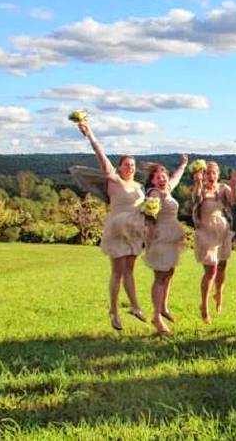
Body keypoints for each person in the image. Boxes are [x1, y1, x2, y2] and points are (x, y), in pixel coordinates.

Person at [72, 121, 148, 331]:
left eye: (133, 165)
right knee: (117, 271)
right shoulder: (113, 179)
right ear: (119, 166)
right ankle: (113, 311)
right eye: (127, 164)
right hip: (117, 229)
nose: (130, 168)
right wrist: (89, 133)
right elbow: (100, 153)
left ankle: (135, 306)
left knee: (130, 270)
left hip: (135, 230)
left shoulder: (139, 186)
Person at [142, 155, 188, 335]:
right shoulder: (155, 193)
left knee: (169, 272)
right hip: (161, 237)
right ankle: (156, 317)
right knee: (161, 276)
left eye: (164, 176)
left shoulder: (167, 189)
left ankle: (163, 307)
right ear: (152, 180)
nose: (162, 179)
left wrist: (183, 165)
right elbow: (149, 214)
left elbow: (176, 178)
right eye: (158, 177)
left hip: (171, 237)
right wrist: (151, 230)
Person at [192, 160, 236, 324]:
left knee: (221, 267)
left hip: (222, 230)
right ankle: (204, 308)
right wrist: (198, 182)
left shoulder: (223, 188)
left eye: (214, 173)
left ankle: (219, 292)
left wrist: (234, 185)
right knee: (211, 270)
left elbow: (234, 201)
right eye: (208, 173)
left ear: (218, 174)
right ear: (204, 174)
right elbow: (196, 198)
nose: (211, 176)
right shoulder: (201, 188)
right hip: (206, 232)